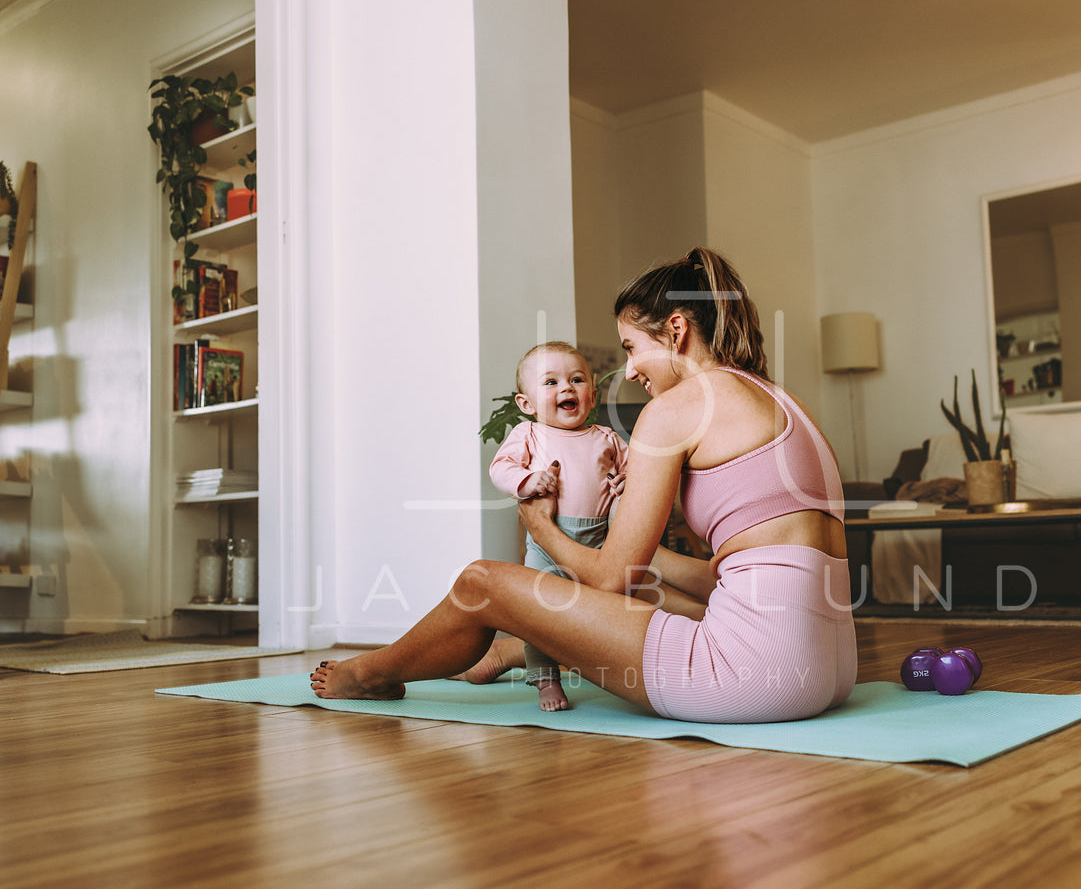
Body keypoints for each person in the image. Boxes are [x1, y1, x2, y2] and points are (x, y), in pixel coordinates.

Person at [312, 247, 857, 724]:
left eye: (630, 347)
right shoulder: (785, 403)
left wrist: (539, 526)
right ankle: (508, 651)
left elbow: (608, 579)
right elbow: (721, 575)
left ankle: (367, 673)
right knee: (648, 583)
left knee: (481, 582)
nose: (630, 369)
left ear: (676, 330)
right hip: (828, 669)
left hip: (752, 678)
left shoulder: (675, 409)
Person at [486, 342, 628, 711]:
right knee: (538, 615)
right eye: (551, 382)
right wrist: (528, 480)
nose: (566, 388)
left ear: (591, 394)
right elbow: (500, 468)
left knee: (606, 611)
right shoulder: (529, 435)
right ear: (526, 405)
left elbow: (634, 474)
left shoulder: (607, 438)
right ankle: (546, 680)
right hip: (547, 545)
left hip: (599, 542)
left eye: (576, 380)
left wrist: (625, 483)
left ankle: (610, 671)